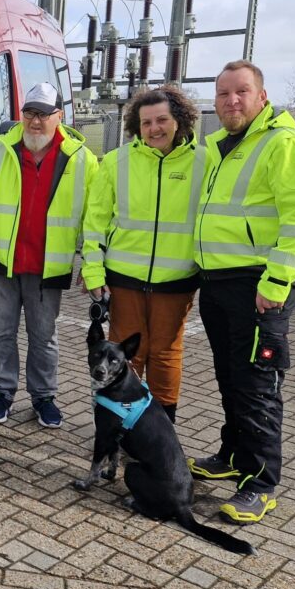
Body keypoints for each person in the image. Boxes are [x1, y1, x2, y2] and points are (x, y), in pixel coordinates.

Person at [188, 60, 295, 523]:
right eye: (223, 94)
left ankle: (260, 483)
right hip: (219, 283)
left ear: (261, 96)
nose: (232, 101)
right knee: (230, 377)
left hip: (258, 286)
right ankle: (231, 455)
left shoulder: (284, 145)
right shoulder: (221, 148)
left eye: (241, 92)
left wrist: (277, 282)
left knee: (258, 386)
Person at [0, 82, 98, 428]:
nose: (35, 122)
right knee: (2, 333)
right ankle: (2, 393)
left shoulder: (81, 159)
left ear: (60, 116)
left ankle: (44, 397)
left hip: (47, 265)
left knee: (44, 337)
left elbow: (94, 216)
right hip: (0, 263)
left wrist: (91, 263)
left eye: (44, 114)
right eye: (29, 113)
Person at [81, 86, 205, 423]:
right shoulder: (117, 162)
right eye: (146, 122)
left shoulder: (205, 163)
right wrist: (93, 273)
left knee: (166, 355)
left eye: (162, 120)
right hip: (124, 281)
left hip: (176, 281)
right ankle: (123, 423)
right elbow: (95, 222)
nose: (154, 129)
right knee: (125, 357)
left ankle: (162, 427)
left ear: (179, 120)